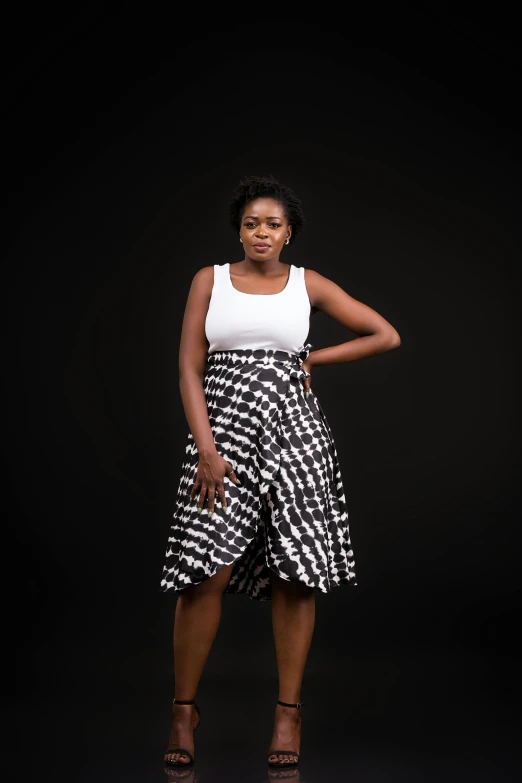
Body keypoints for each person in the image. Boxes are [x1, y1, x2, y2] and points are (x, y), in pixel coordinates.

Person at [160, 175, 401, 768]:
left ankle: (287, 717)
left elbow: (384, 334)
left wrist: (313, 357)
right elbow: (190, 370)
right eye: (250, 223)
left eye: (272, 223)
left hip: (295, 439)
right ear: (238, 229)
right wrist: (207, 448)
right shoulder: (209, 281)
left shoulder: (307, 284)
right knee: (204, 575)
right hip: (223, 440)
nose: (261, 232)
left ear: (288, 232)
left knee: (296, 576)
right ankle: (183, 712)